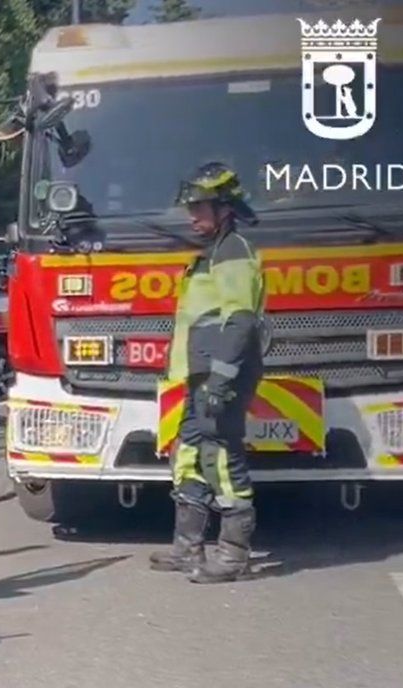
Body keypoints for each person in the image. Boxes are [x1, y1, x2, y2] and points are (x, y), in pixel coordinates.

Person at [148, 162, 267, 584]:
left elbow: (240, 320)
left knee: (221, 456)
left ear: (224, 208)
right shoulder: (213, 252)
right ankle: (188, 547)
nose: (191, 216)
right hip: (198, 376)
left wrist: (221, 379)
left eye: (198, 208)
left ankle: (233, 555)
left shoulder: (233, 250)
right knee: (190, 453)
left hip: (221, 375)